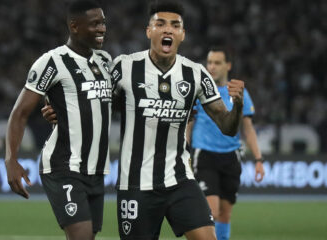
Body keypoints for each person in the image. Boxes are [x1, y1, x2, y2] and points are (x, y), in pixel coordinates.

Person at [43, 1, 244, 239]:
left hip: (180, 179)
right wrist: (57, 110)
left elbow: (228, 127)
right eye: (160, 24)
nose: (167, 30)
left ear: (182, 34)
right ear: (149, 31)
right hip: (135, 186)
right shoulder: (124, 67)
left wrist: (238, 105)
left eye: (175, 25)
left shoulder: (196, 74)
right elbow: (94, 100)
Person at [4, 1, 112, 239]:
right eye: (95, 23)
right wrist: (11, 159)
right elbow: (19, 113)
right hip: (64, 166)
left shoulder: (105, 61)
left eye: (103, 22)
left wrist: (59, 112)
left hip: (96, 169)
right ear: (74, 26)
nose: (102, 28)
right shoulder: (52, 62)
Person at [186, 47, 265, 240]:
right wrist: (184, 151)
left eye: (217, 63)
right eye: (209, 62)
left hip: (231, 158)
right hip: (204, 155)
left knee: (225, 215)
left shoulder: (238, 92)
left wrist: (258, 159)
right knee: (211, 212)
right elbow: (188, 123)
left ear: (228, 65)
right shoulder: (200, 90)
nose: (211, 67)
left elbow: (248, 128)